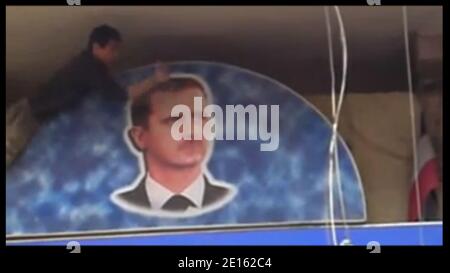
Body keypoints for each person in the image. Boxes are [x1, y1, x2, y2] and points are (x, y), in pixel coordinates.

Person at [6, 24, 169, 168]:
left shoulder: (85, 62)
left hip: (24, 108)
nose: (116, 55)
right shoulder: (91, 68)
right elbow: (121, 95)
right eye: (112, 49)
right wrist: (155, 80)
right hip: (28, 118)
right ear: (96, 46)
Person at [111, 76, 236, 217]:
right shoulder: (115, 208)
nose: (192, 129)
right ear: (140, 137)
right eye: (175, 120)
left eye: (200, 117)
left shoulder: (235, 203)